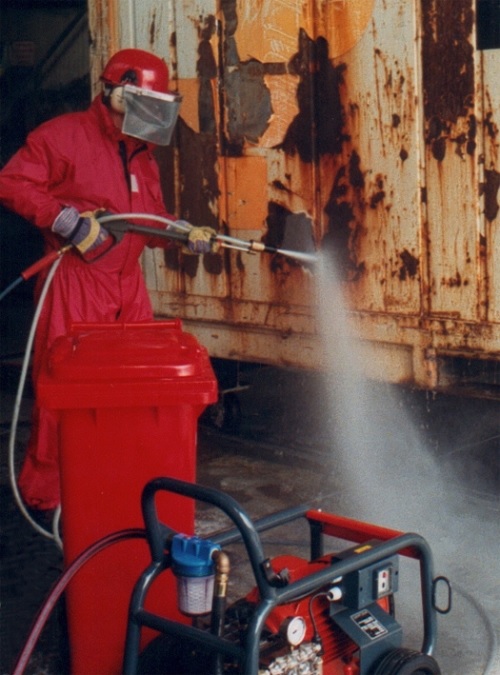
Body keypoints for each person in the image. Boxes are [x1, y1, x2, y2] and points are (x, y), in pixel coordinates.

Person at [0, 48, 218, 512]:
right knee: (65, 398)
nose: (152, 114)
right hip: (75, 284)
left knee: (134, 394)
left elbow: (149, 219)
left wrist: (181, 233)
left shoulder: (142, 156)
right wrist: (66, 221)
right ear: (116, 91)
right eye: (147, 101)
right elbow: (12, 182)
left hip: (127, 288)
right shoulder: (63, 136)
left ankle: (116, 485)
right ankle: (49, 500)